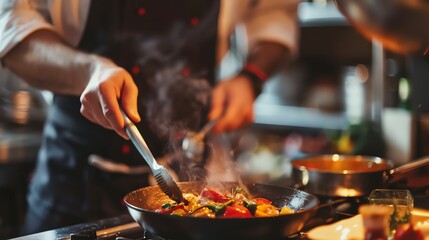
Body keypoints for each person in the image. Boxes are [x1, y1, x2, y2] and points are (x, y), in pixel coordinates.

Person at [0, 0, 299, 234]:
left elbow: (275, 13)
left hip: (189, 175)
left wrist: (250, 78)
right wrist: (88, 70)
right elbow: (12, 26)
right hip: (73, 175)